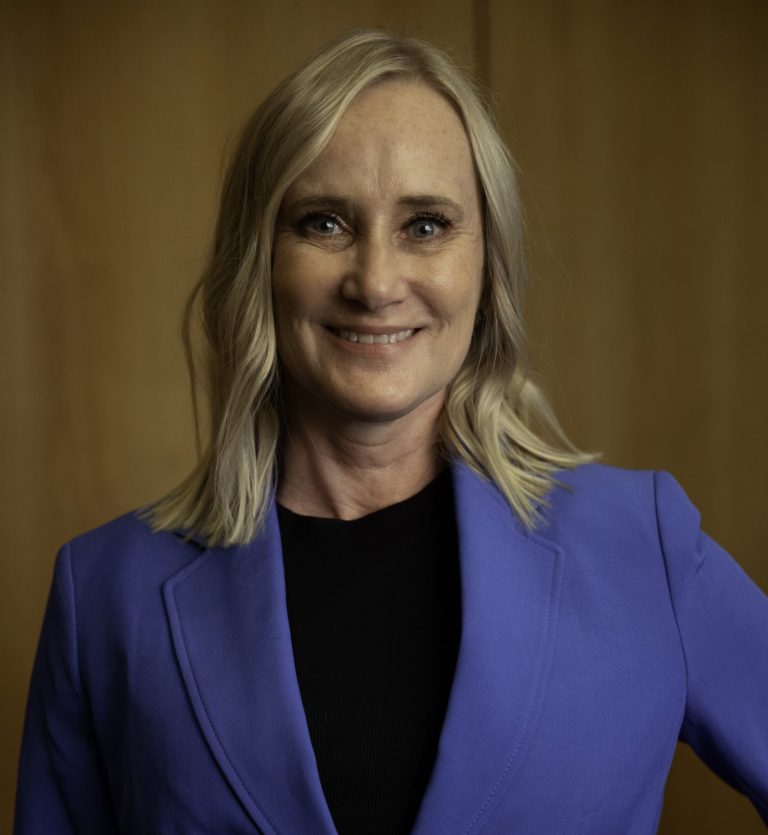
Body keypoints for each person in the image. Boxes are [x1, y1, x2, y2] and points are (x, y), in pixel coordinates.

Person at [14, 28, 768, 835]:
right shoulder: (105, 595)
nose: (375, 282)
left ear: (488, 266)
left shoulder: (644, 548)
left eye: (426, 225)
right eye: (324, 222)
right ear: (258, 261)